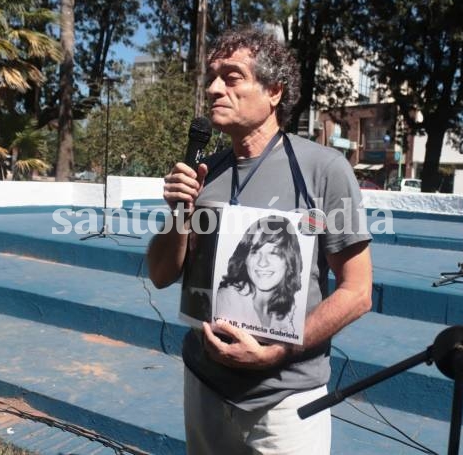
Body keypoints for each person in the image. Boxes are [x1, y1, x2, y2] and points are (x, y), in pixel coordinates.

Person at [146, 26, 373, 454]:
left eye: (231, 77)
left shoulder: (324, 169)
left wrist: (280, 352)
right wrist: (178, 213)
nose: (214, 89)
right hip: (204, 385)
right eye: (211, 78)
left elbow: (358, 292)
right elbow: (160, 275)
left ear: (273, 92)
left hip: (285, 400)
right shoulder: (203, 172)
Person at [215, 215, 302, 333]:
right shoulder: (227, 299)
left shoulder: (289, 310)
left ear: (289, 261)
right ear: (245, 259)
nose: (262, 263)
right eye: (255, 252)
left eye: (273, 253)